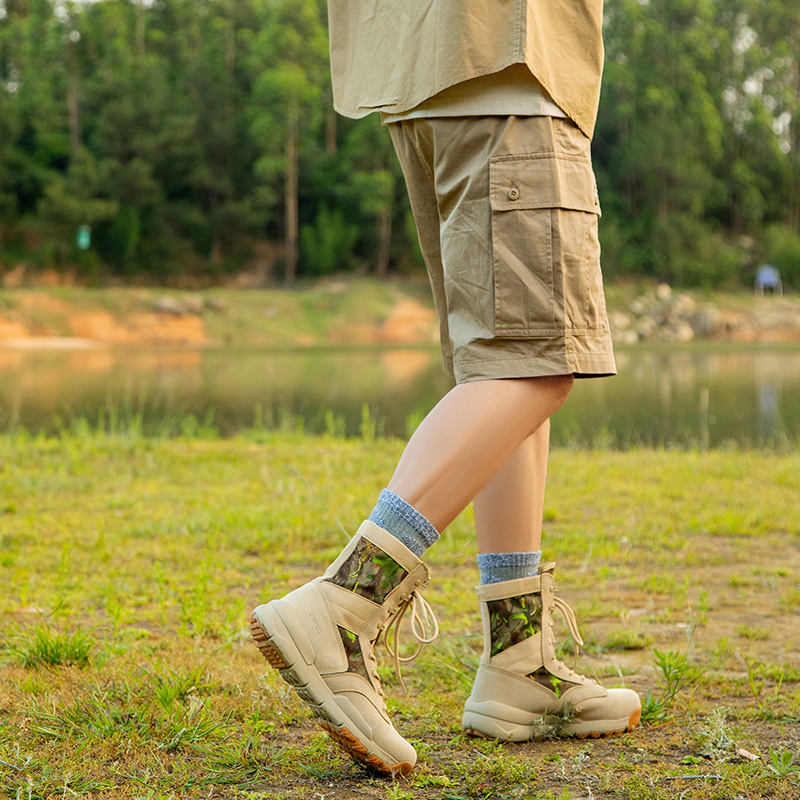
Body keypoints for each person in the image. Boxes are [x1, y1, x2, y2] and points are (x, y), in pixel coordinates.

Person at [250, 0, 641, 777]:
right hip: (510, 66)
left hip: (431, 70)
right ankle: (344, 602)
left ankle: (518, 663)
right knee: (535, 363)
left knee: (504, 365)